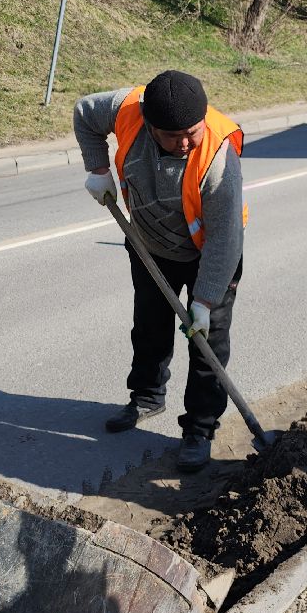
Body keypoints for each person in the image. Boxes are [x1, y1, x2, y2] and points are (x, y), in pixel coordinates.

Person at [73, 70, 246, 473]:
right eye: (173, 136)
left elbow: (225, 238)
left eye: (192, 133)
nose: (185, 143)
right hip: (150, 245)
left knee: (207, 344)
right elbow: (84, 113)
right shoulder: (127, 111)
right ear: (151, 126)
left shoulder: (218, 157)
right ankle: (147, 397)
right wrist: (98, 169)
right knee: (149, 326)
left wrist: (204, 301)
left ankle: (199, 428)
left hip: (209, 255)